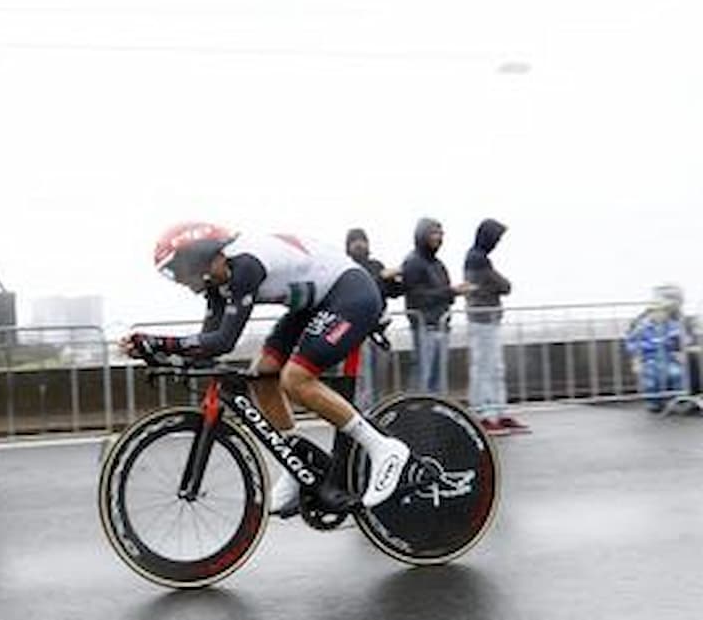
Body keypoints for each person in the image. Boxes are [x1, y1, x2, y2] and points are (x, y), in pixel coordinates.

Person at [121, 223, 411, 516]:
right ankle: (296, 463)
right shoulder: (219, 282)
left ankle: (384, 448)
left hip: (351, 294)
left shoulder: (244, 265)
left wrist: (157, 342)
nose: (185, 282)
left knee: (295, 379)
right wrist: (154, 352)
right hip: (314, 305)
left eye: (184, 272)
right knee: (263, 374)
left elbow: (223, 340)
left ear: (203, 258)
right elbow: (208, 348)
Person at [464, 219, 528, 435]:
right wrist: (499, 286)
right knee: (484, 368)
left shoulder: (478, 258)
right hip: (482, 320)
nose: (497, 242)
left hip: (487, 319)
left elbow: (496, 285)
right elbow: (503, 285)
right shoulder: (477, 259)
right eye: (496, 238)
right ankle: (484, 415)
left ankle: (499, 412)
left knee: (494, 368)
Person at [402, 218, 473, 394]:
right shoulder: (413, 261)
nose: (438, 238)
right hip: (424, 326)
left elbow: (443, 294)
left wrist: (453, 293)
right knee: (423, 377)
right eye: (434, 233)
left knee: (438, 380)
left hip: (441, 326)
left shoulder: (438, 264)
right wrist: (450, 291)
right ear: (422, 235)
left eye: (441, 234)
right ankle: (417, 415)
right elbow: (417, 296)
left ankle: (434, 416)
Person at [345, 229, 405, 409]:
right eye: (354, 241)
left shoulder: (376, 264)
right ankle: (364, 415)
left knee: (379, 379)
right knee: (364, 381)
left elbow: (393, 292)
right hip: (357, 333)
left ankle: (378, 413)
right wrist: (381, 278)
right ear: (348, 246)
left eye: (363, 240)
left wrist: (399, 279)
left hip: (379, 331)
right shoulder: (347, 267)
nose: (359, 244)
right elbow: (359, 288)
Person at [625, 285, 695, 412]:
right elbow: (633, 341)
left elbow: (683, 337)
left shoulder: (676, 321)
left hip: (669, 357)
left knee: (677, 375)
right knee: (651, 380)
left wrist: (681, 347)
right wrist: (637, 359)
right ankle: (654, 402)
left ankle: (679, 400)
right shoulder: (642, 324)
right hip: (650, 358)